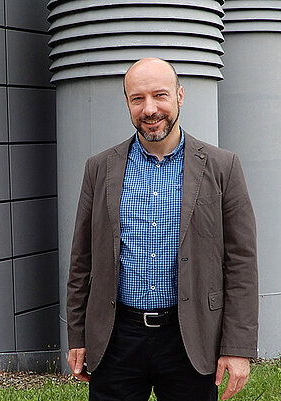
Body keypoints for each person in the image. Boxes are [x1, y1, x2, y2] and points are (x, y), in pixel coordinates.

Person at [66, 57, 259, 401]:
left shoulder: (222, 167)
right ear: (127, 103)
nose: (150, 108)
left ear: (180, 96)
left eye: (160, 95)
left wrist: (237, 346)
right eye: (137, 98)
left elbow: (241, 262)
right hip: (116, 338)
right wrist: (78, 335)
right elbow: (81, 259)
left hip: (192, 337)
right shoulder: (99, 168)